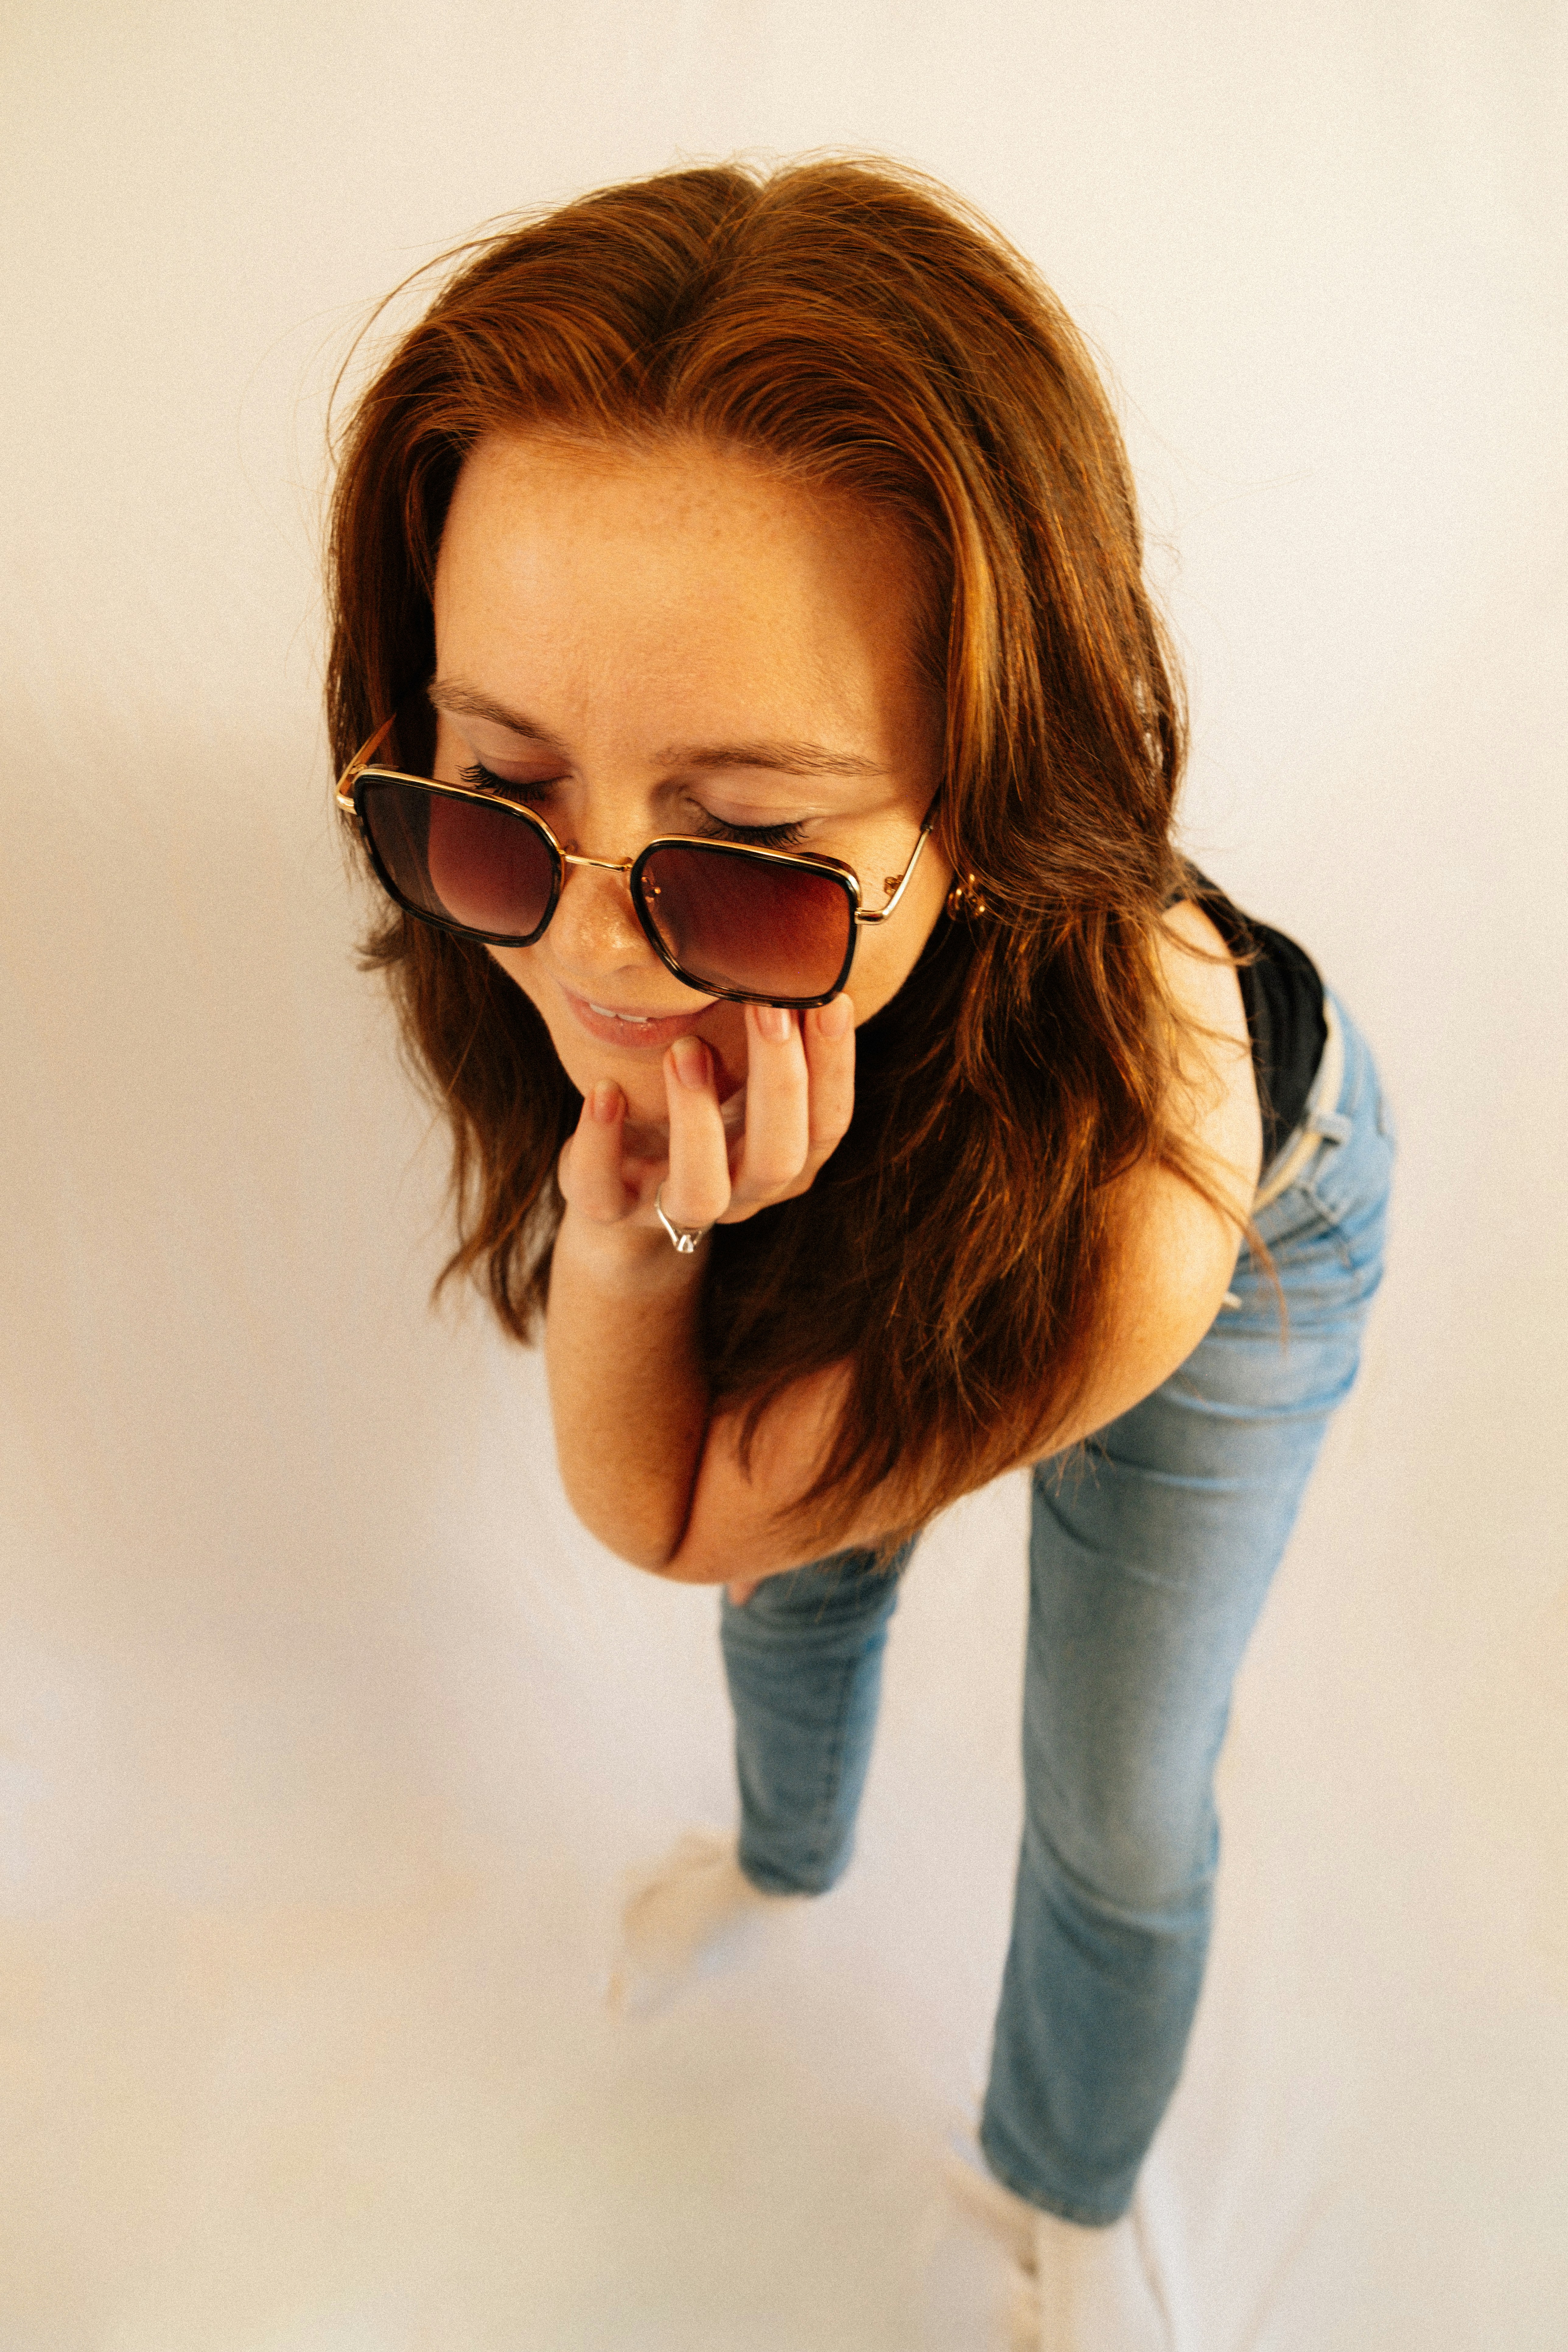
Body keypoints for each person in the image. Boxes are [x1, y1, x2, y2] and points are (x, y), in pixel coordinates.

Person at [326, 158, 1394, 2347]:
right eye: (498, 791)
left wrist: (646, 1267)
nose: (607, 955)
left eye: (747, 854)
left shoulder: (1141, 1216)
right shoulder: (545, 922)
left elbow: (670, 1506)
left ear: (983, 800)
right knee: (800, 1589)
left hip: (1235, 1222)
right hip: (850, 1130)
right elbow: (720, 1524)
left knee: (1117, 1792)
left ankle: (1067, 2187)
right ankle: (785, 1859)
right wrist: (645, 1260)